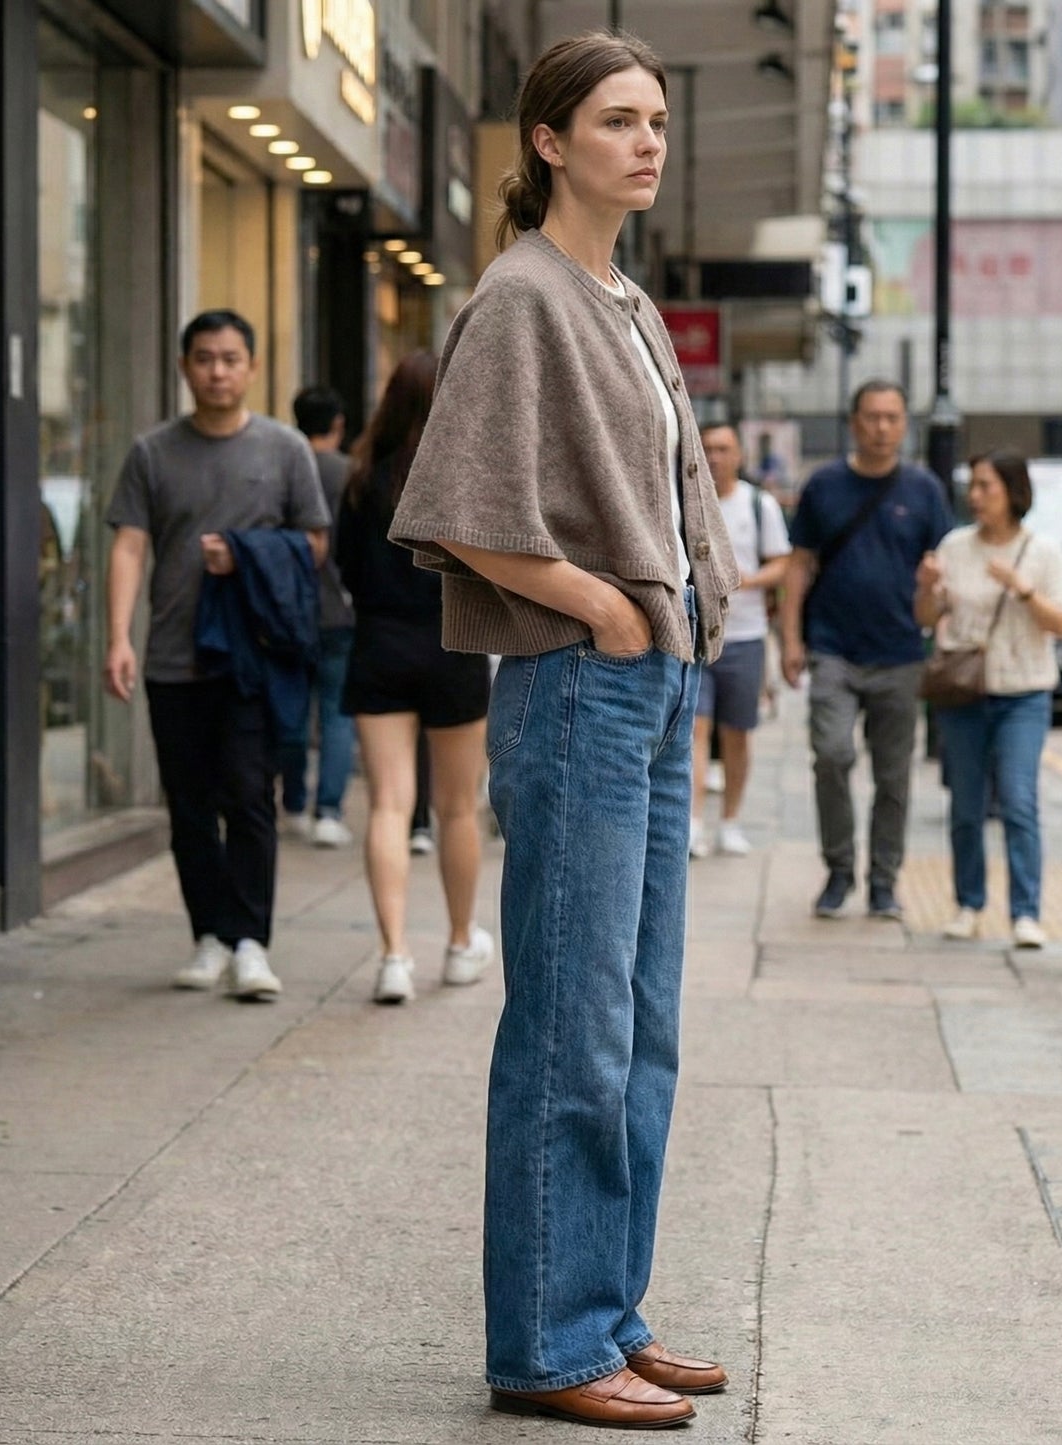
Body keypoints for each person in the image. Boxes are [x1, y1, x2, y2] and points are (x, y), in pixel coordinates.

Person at [388, 31, 739, 1430]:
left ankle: (607, 1308)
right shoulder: (523, 298)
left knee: (642, 1021)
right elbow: (456, 507)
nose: (647, 142)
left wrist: (675, 633)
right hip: (579, 680)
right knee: (573, 1022)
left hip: (650, 684)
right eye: (616, 120)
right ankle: (544, 1341)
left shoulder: (628, 304)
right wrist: (600, 602)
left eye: (657, 118)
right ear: (547, 142)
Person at [103, 309, 329, 1000]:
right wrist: (117, 636)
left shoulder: (285, 449)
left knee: (250, 797)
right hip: (173, 656)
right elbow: (130, 544)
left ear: (252, 367)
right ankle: (208, 934)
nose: (218, 370)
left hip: (249, 659)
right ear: (183, 366)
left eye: (231, 358)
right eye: (204, 358)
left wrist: (247, 555)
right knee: (190, 806)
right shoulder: (151, 452)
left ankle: (251, 941)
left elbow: (315, 543)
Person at [335, 351, 495, 1006]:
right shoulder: (463, 473)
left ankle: (393, 955)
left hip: (378, 644)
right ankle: (459, 944)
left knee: (388, 806)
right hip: (450, 644)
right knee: (456, 807)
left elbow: (344, 567)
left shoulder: (360, 475)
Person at [780, 379, 952, 921]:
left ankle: (883, 880)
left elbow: (941, 576)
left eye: (892, 417)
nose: (882, 427)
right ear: (853, 423)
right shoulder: (824, 486)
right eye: (872, 417)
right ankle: (838, 870)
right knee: (831, 754)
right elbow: (799, 566)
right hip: (833, 649)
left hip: (901, 653)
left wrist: (934, 608)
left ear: (905, 425)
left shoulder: (925, 491)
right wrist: (790, 639)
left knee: (893, 775)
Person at [914, 449, 1062, 947]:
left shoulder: (1042, 552)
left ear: (1012, 492)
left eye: (987, 486)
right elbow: (926, 618)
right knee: (966, 806)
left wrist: (1021, 589)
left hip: (1023, 693)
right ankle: (968, 904)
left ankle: (1026, 913)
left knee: (1019, 801)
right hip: (964, 693)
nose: (976, 496)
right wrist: (927, 588)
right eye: (974, 487)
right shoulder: (955, 547)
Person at [689, 422, 791, 857]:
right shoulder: (687, 500)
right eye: (708, 448)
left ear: (739, 455)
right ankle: (693, 822)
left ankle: (730, 820)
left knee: (737, 733)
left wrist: (746, 581)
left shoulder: (758, 504)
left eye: (724, 449)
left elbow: (782, 564)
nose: (715, 457)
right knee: (694, 729)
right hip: (695, 635)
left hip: (745, 636)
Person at [279, 385, 358, 848]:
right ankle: (328, 809)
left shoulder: (284, 465)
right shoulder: (351, 474)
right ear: (338, 424)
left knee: (291, 710)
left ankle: (291, 801)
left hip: (288, 608)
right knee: (335, 713)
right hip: (340, 610)